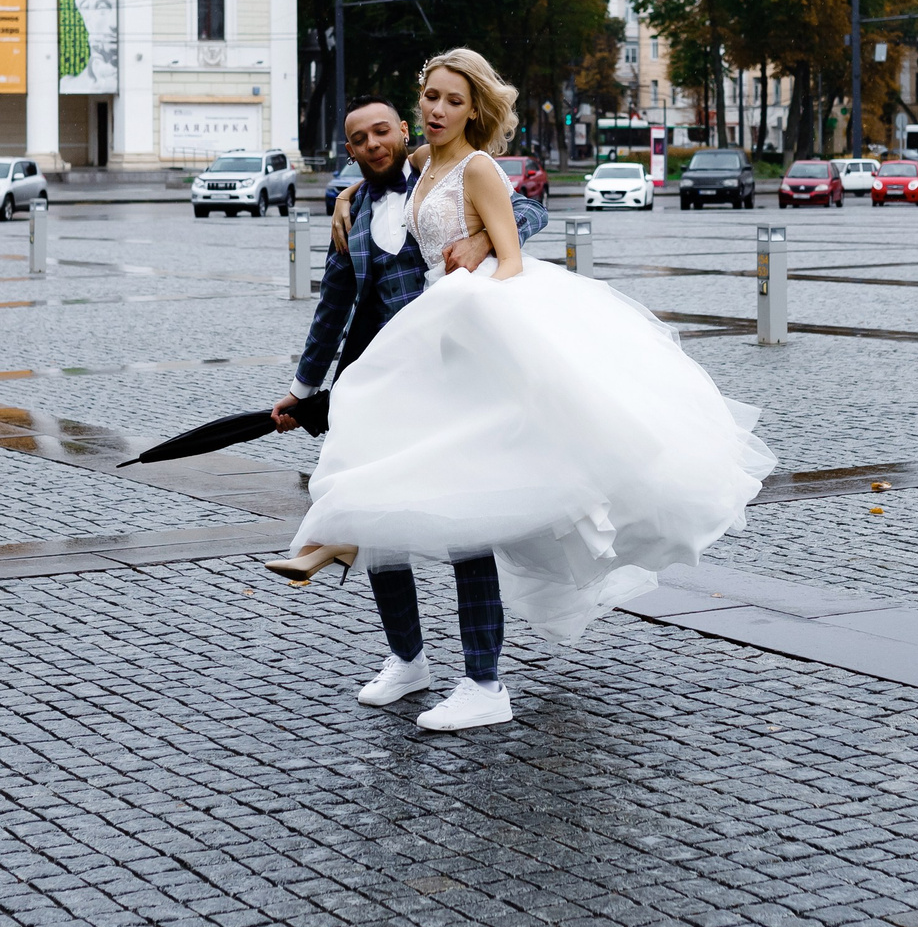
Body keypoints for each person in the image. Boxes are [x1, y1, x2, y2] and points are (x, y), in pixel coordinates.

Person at [271, 48, 775, 732]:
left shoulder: (468, 165)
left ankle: (482, 679)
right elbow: (337, 294)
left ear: (459, 111)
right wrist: (344, 201)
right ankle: (395, 637)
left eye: (450, 100)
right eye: (429, 97)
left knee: (467, 514)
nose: (434, 110)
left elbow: (519, 223)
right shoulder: (392, 180)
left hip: (464, 343)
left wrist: (480, 246)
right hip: (410, 360)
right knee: (373, 482)